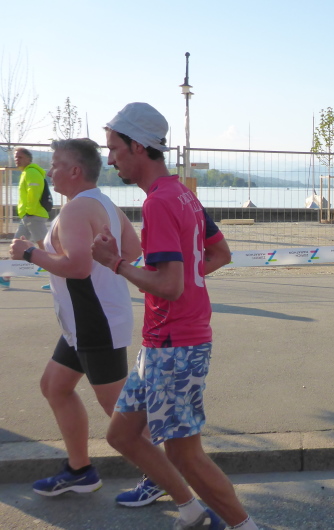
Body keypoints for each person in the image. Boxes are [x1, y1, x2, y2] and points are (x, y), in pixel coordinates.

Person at [92, 102, 257, 530]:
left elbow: (169, 285)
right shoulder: (183, 193)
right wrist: (177, 281)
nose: (110, 160)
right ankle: (191, 511)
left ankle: (244, 526)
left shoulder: (160, 203)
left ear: (138, 146)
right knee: (121, 435)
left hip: (175, 345)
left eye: (114, 148)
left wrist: (115, 263)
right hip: (164, 342)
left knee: (186, 455)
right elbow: (219, 253)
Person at [9, 138, 140, 497]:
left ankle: (166, 476)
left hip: (95, 322)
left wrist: (30, 253)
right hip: (84, 322)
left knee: (120, 411)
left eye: (55, 165)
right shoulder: (103, 202)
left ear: (75, 170)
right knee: (55, 386)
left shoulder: (76, 210)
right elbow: (132, 249)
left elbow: (78, 268)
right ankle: (80, 471)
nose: (50, 171)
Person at [1, 148, 50, 289]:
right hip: (27, 216)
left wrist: (29, 211)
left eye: (20, 157)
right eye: (16, 157)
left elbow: (33, 193)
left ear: (29, 159)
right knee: (16, 245)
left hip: (33, 215)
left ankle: (58, 279)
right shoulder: (26, 173)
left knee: (46, 248)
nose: (17, 160)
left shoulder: (31, 172)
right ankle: (6, 276)